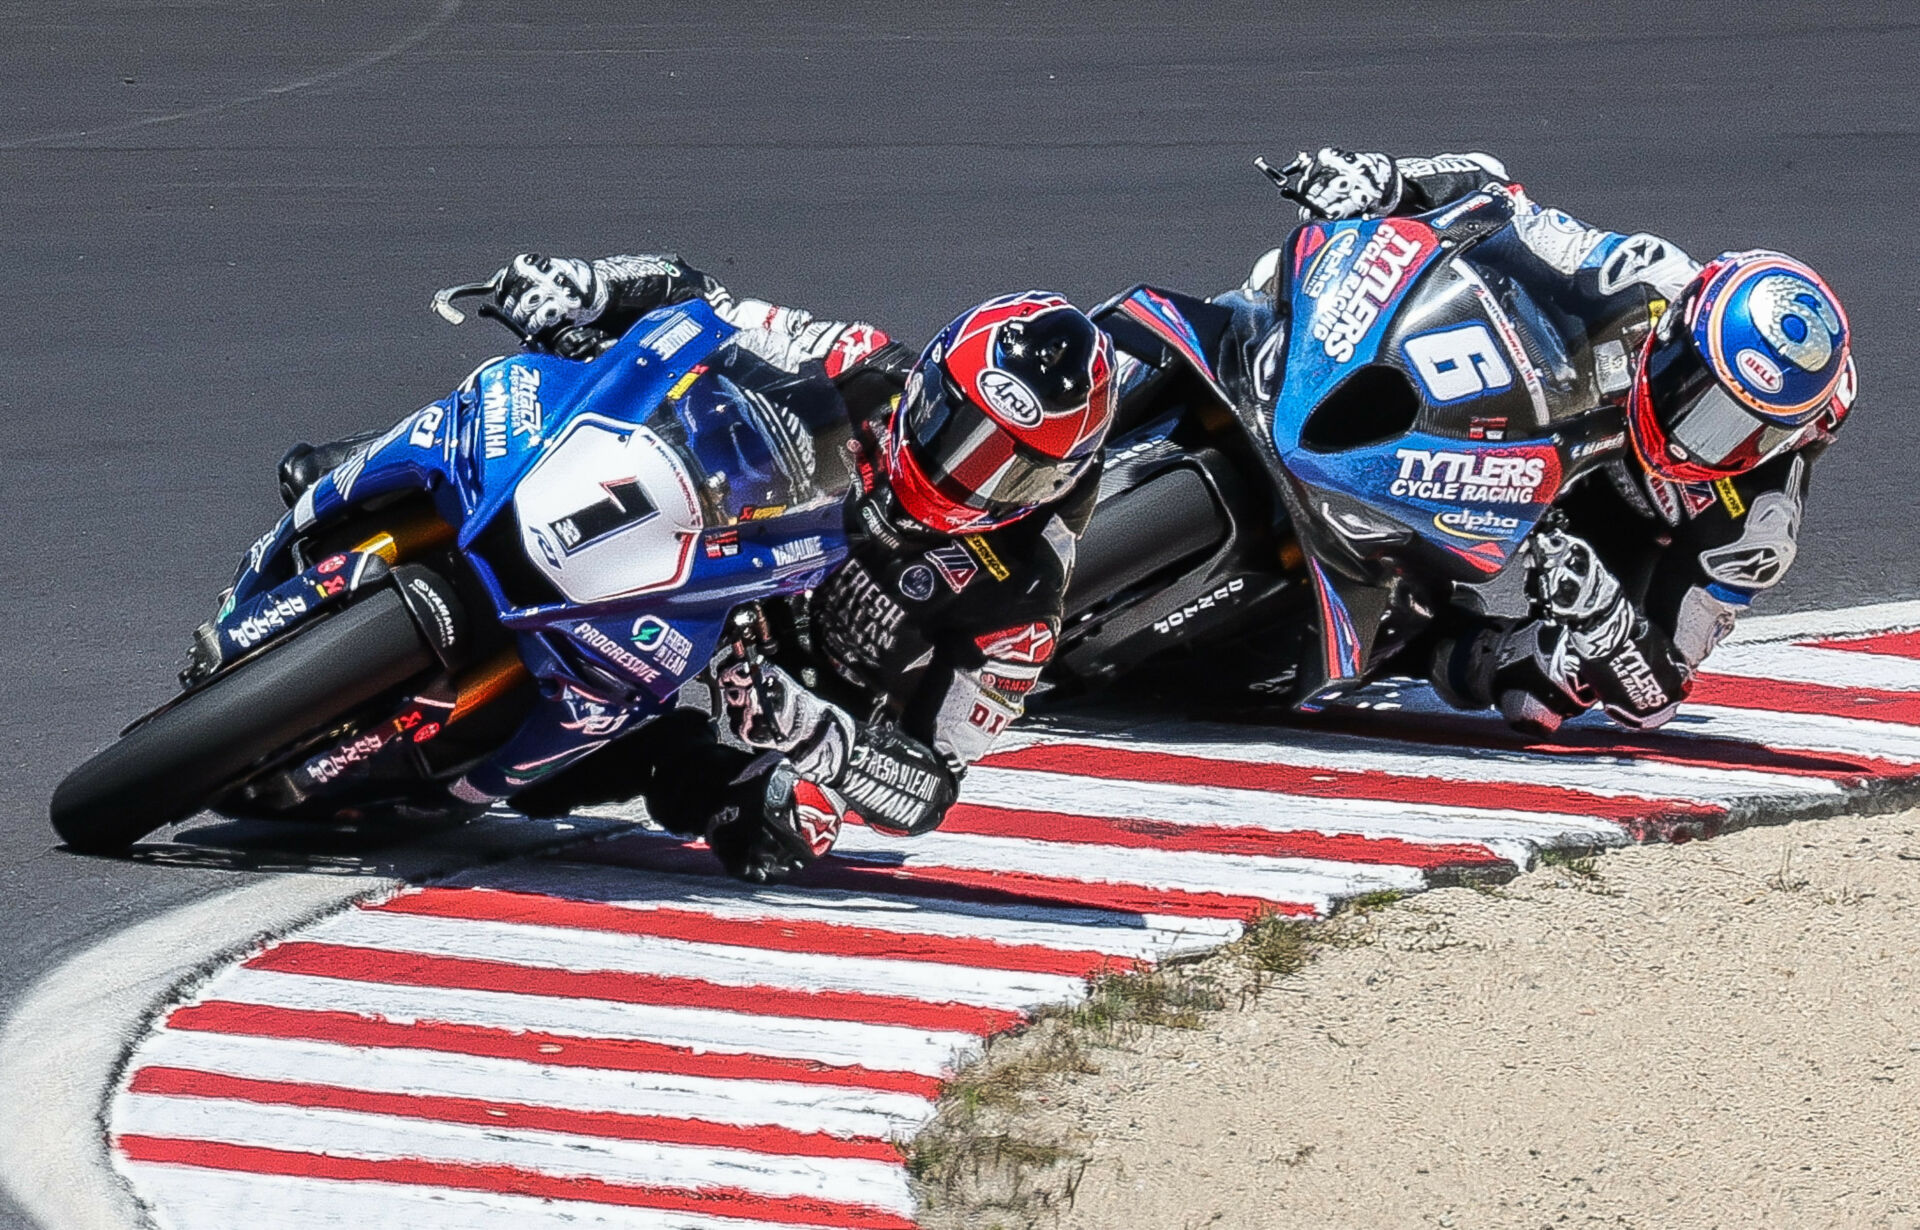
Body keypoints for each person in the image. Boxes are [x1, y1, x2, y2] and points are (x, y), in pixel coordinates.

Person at [284, 255, 1116, 882]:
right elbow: (708, 304)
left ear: (1064, 476)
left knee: (774, 827)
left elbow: (930, 789)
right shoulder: (865, 363)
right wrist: (592, 284)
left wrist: (814, 730)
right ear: (932, 381)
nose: (961, 471)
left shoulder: (1025, 597)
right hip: (702, 544)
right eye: (956, 426)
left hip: (766, 695)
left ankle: (505, 764)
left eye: (1012, 468)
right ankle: (376, 472)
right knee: (542, 387)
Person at [1235, 149, 1856, 736]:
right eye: (1696, 390)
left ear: (1791, 436)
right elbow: (1501, 201)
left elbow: (1661, 695)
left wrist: (1604, 617)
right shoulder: (1649, 274)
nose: (1700, 433)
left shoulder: (1759, 528)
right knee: (1285, 276)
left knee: (1542, 690)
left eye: (1742, 428)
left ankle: (1398, 638)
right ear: (1679, 330)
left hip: (1581, 543)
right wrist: (1388, 180)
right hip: (1533, 408)